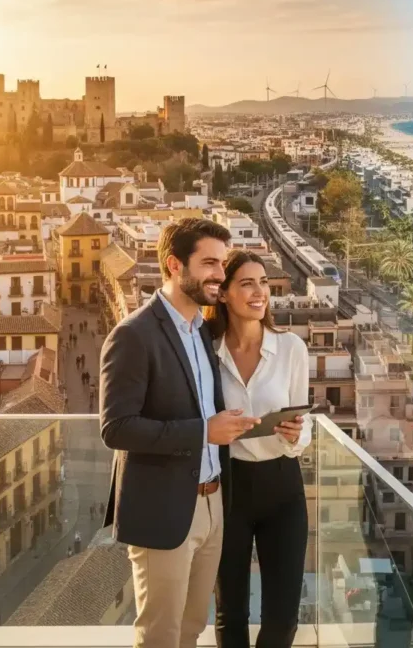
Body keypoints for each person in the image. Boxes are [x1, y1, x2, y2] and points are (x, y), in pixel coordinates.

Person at [100, 218, 260, 648]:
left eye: (222, 264)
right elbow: (116, 428)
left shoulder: (201, 333)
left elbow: (205, 408)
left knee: (191, 629)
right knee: (160, 635)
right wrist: (203, 431)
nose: (219, 275)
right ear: (174, 264)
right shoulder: (133, 335)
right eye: (209, 263)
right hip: (163, 508)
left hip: (212, 504)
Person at [205, 249, 311, 648]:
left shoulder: (292, 350)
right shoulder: (206, 354)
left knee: (283, 617)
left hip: (283, 488)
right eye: (246, 283)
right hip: (226, 489)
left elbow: (304, 426)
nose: (259, 291)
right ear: (224, 294)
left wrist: (293, 434)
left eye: (263, 282)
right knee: (229, 613)